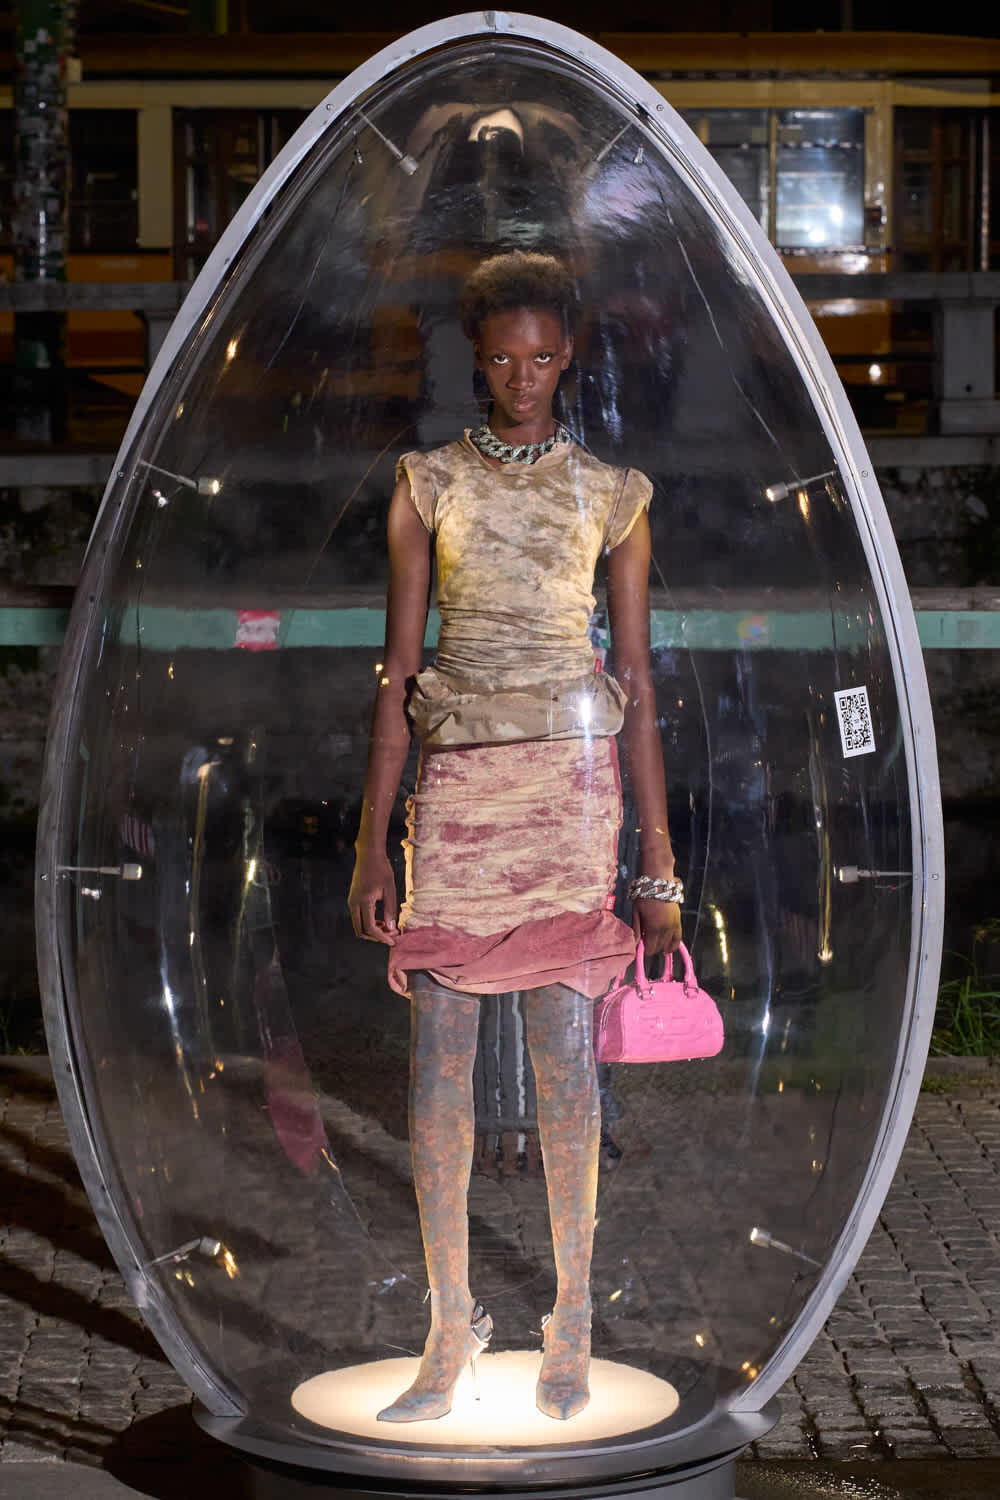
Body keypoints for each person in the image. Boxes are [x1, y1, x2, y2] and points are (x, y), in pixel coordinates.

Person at [348, 251, 681, 1424]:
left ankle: (572, 1320)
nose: (522, 378)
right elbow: (399, 675)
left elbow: (633, 677)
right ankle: (447, 1326)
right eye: (501, 358)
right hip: (459, 803)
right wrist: (371, 842)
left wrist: (658, 862)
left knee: (564, 1074)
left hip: (572, 796)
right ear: (473, 359)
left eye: (542, 358)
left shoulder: (612, 491)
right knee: (436, 1073)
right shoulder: (427, 483)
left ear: (571, 355)